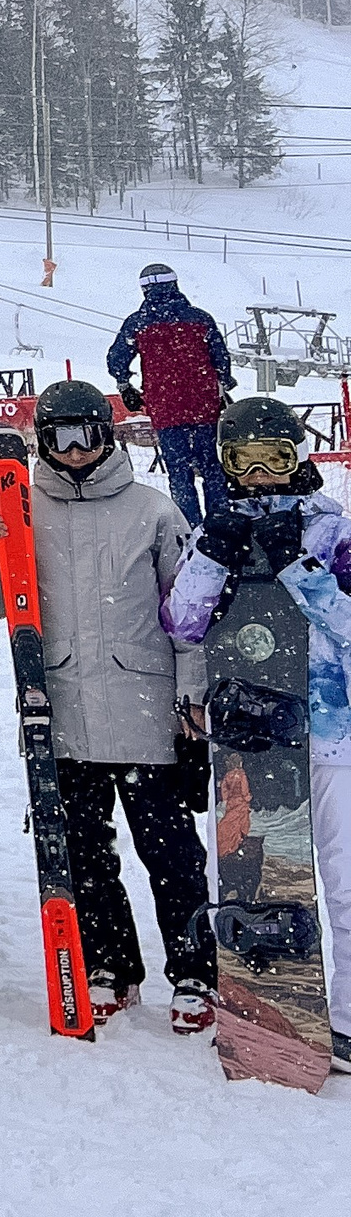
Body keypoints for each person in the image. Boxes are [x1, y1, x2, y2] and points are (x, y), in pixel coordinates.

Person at [0, 379, 208, 1028]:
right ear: (42, 442)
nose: (76, 450)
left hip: (145, 709)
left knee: (171, 851)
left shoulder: (154, 511)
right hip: (64, 710)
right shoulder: (23, 508)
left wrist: (191, 697)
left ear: (108, 435)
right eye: (60, 438)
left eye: (89, 435)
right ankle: (108, 963)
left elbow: (189, 616)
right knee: (84, 850)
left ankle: (194, 971)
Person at [167, 397, 351, 1068]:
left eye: (275, 455)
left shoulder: (332, 531)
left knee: (342, 876)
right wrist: (211, 556)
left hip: (331, 729)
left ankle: (349, 1018)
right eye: (242, 458)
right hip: (249, 733)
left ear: (299, 455)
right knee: (259, 876)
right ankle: (267, 1002)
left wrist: (300, 571)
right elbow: (183, 623)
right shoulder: (218, 526)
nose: (260, 472)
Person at [107, 263, 235, 526]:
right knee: (213, 471)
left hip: (166, 409)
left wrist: (124, 385)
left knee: (179, 474)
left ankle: (190, 530)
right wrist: (222, 384)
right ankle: (221, 525)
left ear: (145, 290)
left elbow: (116, 359)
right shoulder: (200, 319)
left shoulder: (137, 323)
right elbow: (221, 359)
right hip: (205, 407)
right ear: (175, 285)